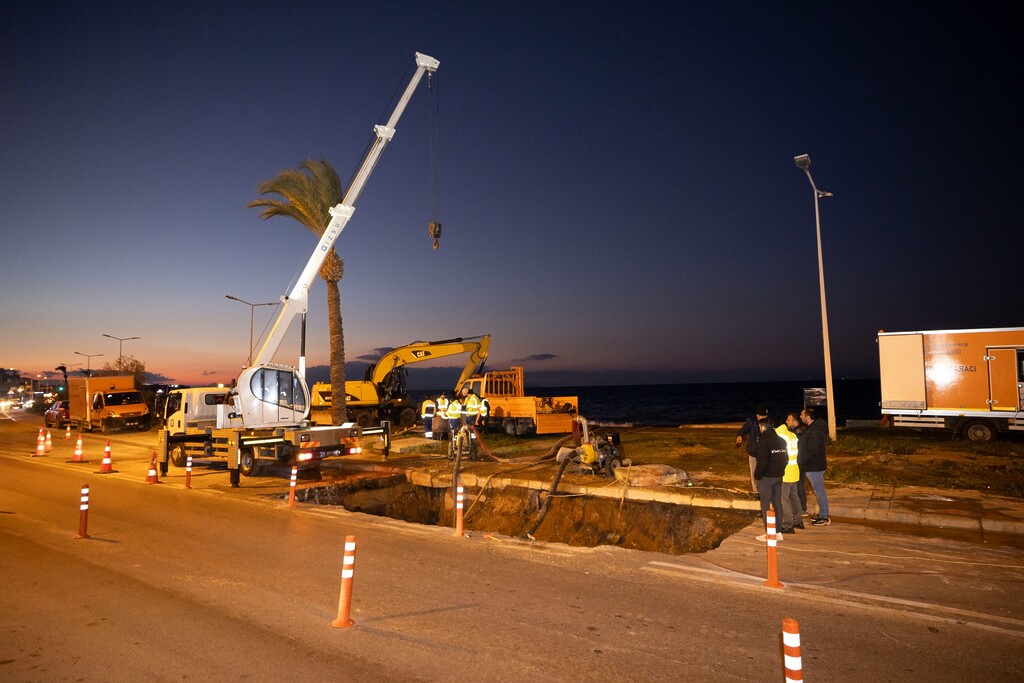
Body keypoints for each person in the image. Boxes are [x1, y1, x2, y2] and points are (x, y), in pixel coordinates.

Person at [754, 417, 788, 539]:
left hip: (766, 478)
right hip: (779, 476)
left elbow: (762, 461)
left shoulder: (764, 441)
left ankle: (770, 533)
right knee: (777, 503)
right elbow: (786, 459)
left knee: (765, 506)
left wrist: (757, 475)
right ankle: (778, 532)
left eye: (759, 427)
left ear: (762, 427)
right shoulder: (781, 440)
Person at [799, 405, 831, 526]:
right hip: (813, 465)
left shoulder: (815, 430)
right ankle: (822, 514)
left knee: (819, 491)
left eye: (802, 414)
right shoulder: (812, 428)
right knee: (818, 490)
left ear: (807, 417)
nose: (801, 416)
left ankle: (824, 517)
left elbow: (812, 450)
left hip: (814, 466)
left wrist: (803, 461)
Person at [777, 412, 803, 533]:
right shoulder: (792, 435)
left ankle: (787, 525)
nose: (786, 422)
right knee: (794, 497)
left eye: (788, 420)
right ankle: (798, 521)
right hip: (794, 470)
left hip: (786, 472)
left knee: (784, 499)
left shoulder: (782, 436)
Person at [736, 404, 769, 493]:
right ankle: (756, 491)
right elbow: (744, 429)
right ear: (758, 415)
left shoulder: (768, 422)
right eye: (762, 416)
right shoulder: (751, 421)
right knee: (754, 471)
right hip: (753, 450)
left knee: (765, 471)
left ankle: (765, 489)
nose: (764, 418)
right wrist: (740, 435)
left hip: (764, 452)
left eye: (766, 416)